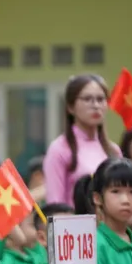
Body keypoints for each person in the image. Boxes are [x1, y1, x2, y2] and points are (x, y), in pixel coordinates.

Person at [42, 75, 120, 206]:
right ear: (70, 107)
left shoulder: (113, 151)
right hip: (74, 225)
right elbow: (55, 206)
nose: (96, 105)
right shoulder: (60, 149)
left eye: (101, 99)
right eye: (87, 99)